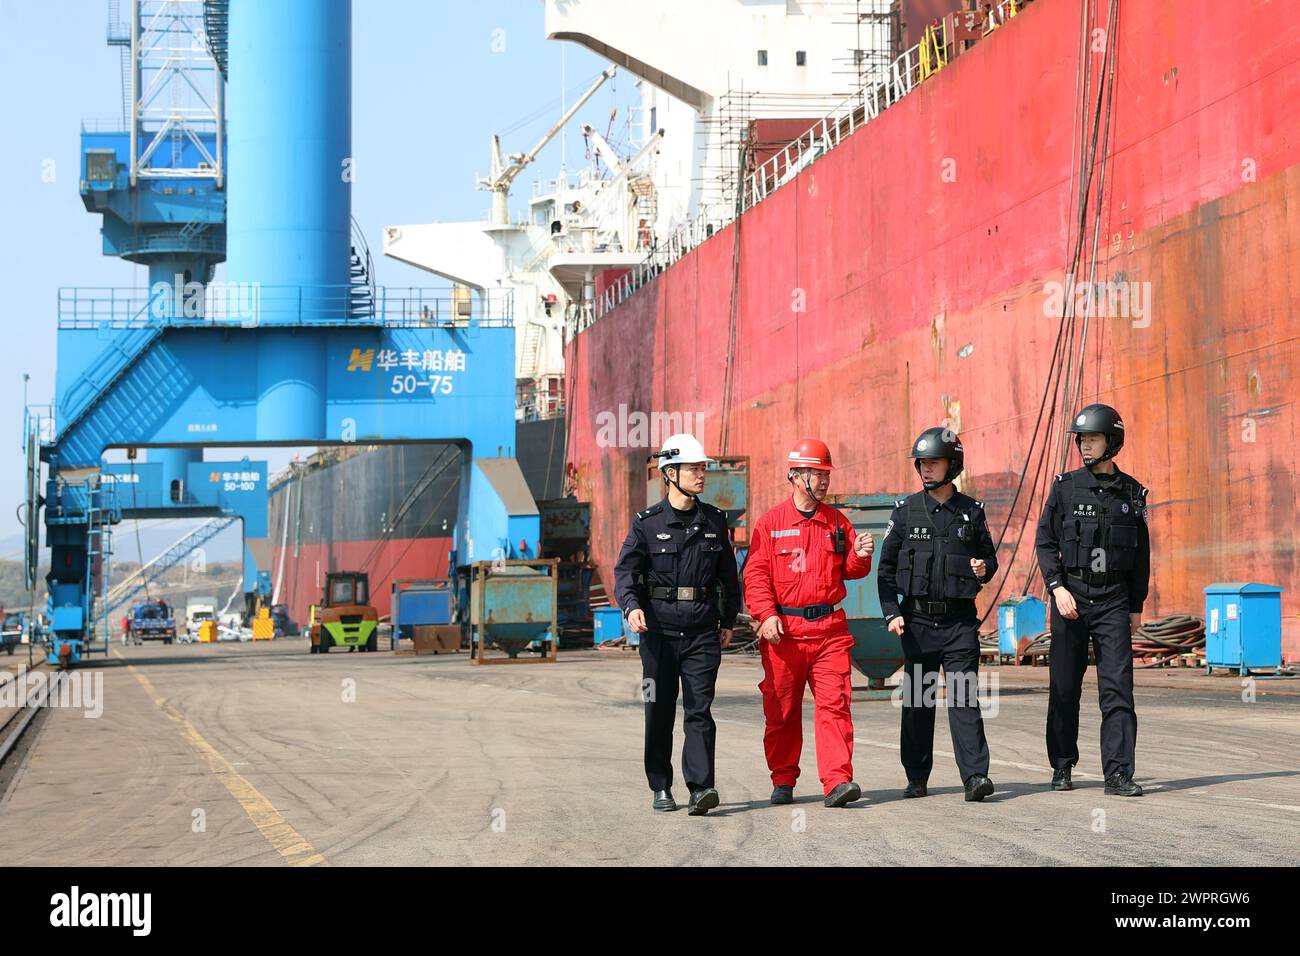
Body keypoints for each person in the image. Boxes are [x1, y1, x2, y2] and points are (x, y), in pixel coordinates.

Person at [743, 438, 874, 808]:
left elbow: (849, 571)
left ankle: (837, 781)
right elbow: (756, 577)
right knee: (781, 710)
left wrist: (861, 556)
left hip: (830, 632)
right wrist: (766, 615)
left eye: (826, 475)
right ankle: (783, 779)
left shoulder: (837, 522)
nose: (824, 482)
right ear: (796, 476)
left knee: (835, 706)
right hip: (784, 634)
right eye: (817, 475)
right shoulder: (770, 525)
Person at [614, 433, 740, 815]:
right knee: (660, 709)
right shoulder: (647, 525)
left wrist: (728, 619)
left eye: (703, 468)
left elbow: (729, 578)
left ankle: (701, 788)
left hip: (702, 633)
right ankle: (661, 785)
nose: (702, 474)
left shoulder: (715, 522)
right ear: (670, 473)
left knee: (700, 710)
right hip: (659, 636)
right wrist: (631, 607)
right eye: (693, 468)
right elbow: (625, 572)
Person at [876, 427, 998, 801]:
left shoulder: (971, 513)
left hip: (959, 623)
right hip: (917, 624)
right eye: (922, 463)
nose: (926, 470)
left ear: (953, 465)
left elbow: (989, 559)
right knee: (917, 701)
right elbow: (884, 572)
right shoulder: (906, 512)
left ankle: (975, 777)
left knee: (963, 698)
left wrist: (983, 569)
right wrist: (890, 613)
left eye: (933, 462)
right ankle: (916, 776)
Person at [1036, 403, 1149, 796]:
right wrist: (1057, 587)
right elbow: (1046, 543)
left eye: (1093, 438)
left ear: (1111, 442)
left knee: (1117, 689)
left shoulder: (1132, 493)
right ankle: (1062, 766)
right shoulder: (1064, 487)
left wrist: (1136, 605)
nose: (1085, 446)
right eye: (1082, 439)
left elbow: (1141, 554)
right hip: (1071, 598)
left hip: (1114, 600)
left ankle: (1118, 774)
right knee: (1064, 688)